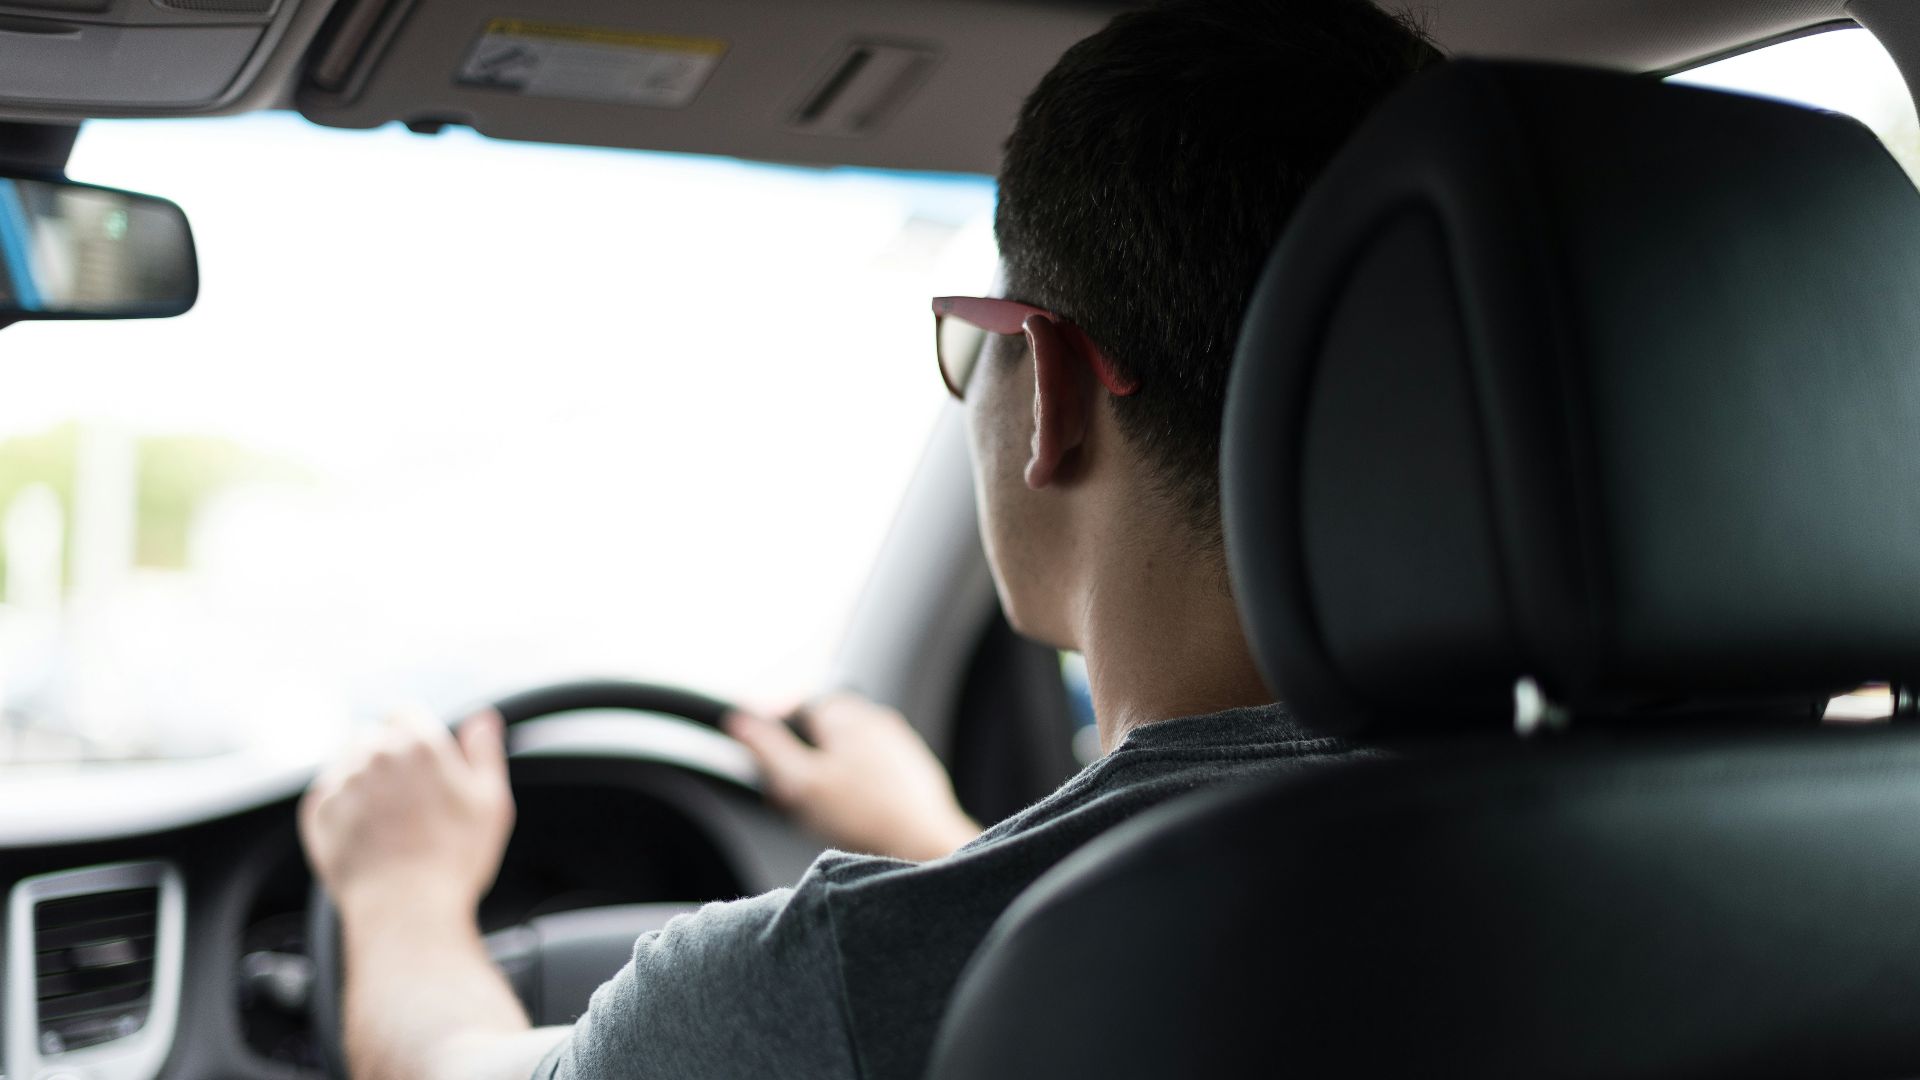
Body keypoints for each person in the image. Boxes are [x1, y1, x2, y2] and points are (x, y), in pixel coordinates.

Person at [296, 2, 1444, 1077]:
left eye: (973, 339)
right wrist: (940, 843)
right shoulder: (1530, 845)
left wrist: (401, 894)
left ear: (1050, 390)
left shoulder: (836, 976)